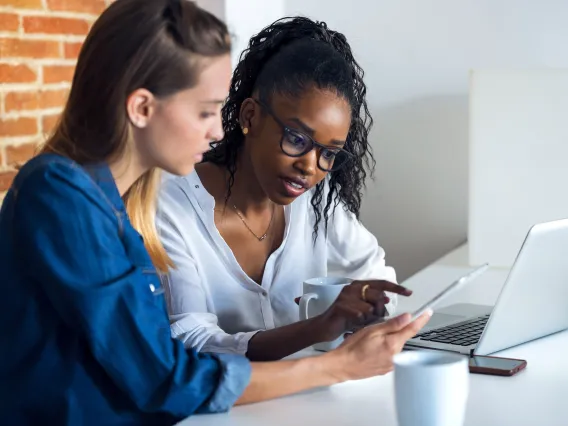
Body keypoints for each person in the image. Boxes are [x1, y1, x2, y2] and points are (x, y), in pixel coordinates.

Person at [0, 0, 430, 424]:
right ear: (142, 108)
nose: (217, 130)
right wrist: (336, 366)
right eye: (205, 111)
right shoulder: (60, 196)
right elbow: (166, 378)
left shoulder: (112, 199)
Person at [156, 17, 407, 361]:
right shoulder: (170, 207)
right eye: (296, 139)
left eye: (329, 153)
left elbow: (373, 270)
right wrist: (319, 326)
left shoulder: (316, 197)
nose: (310, 166)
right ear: (249, 117)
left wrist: (366, 308)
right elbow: (191, 340)